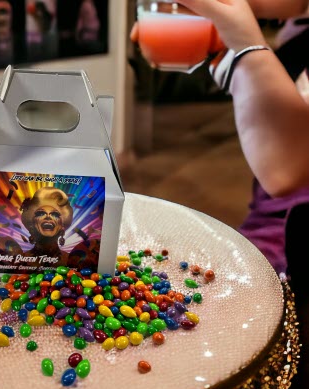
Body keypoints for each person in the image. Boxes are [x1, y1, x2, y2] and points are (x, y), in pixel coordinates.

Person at [132, 0, 309, 290]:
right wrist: (221, 42)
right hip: (266, 226)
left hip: (290, 251)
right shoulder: (296, 26)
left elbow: (286, 171)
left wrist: (244, 48)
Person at [20, 186, 73, 266]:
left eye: (55, 214)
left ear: (62, 226)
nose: (48, 216)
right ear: (32, 225)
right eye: (41, 213)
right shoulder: (21, 260)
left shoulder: (70, 260)